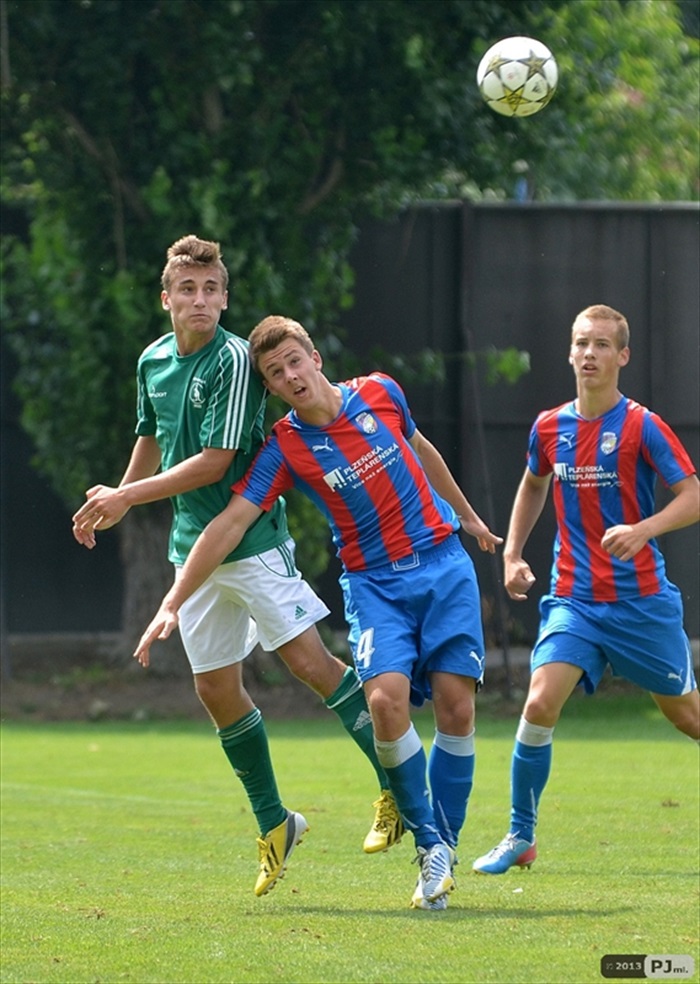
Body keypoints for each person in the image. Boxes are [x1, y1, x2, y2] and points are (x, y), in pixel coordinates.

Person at [134, 314, 503, 910]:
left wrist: (468, 517)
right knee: (384, 703)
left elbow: (420, 448)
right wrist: (172, 601)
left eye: (295, 362)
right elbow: (230, 522)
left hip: (442, 563)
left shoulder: (380, 391)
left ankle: (445, 844)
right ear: (270, 387)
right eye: (275, 373)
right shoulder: (284, 446)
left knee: (457, 707)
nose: (290, 376)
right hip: (374, 583)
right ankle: (430, 844)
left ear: (316, 359)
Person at [72, 237, 403, 898]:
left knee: (310, 665)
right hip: (192, 545)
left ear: (224, 298)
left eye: (210, 290)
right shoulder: (152, 360)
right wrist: (118, 498)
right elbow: (151, 436)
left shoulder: (230, 360)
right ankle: (275, 822)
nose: (199, 300)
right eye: (187, 289)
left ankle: (398, 784)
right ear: (166, 298)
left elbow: (216, 463)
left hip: (250, 539)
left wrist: (127, 498)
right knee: (216, 691)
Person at [472, 303, 700, 876]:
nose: (589, 354)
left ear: (623, 356)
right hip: (573, 601)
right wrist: (513, 554)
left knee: (688, 718)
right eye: (581, 343)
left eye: (601, 344)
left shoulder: (643, 426)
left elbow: (693, 495)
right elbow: (533, 484)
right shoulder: (550, 426)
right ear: (569, 352)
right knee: (538, 703)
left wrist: (644, 529)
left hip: (641, 604)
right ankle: (520, 835)